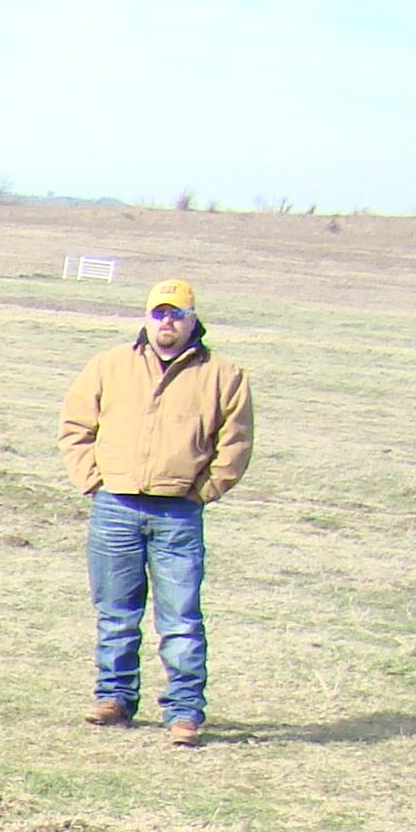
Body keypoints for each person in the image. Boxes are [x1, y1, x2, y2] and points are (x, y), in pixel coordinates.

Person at [59, 279, 257, 745]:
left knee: (181, 617)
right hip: (115, 507)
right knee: (115, 612)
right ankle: (115, 697)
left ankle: (184, 712)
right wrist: (93, 480)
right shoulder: (109, 366)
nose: (167, 322)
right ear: (147, 317)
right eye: (159, 313)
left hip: (178, 515)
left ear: (193, 320)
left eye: (177, 314)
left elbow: (236, 442)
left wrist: (205, 490)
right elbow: (75, 427)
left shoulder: (224, 375)